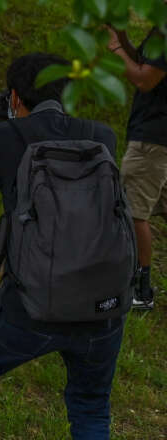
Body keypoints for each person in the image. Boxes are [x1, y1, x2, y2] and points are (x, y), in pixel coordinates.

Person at [0, 54, 126, 439]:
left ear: (14, 96)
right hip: (103, 305)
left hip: (31, 307)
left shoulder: (4, 137)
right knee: (91, 405)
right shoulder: (103, 136)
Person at [107, 26, 166, 310]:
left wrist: (115, 48)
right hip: (157, 137)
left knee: (133, 212)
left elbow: (144, 79)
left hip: (152, 141)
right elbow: (145, 64)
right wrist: (123, 39)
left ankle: (140, 291)